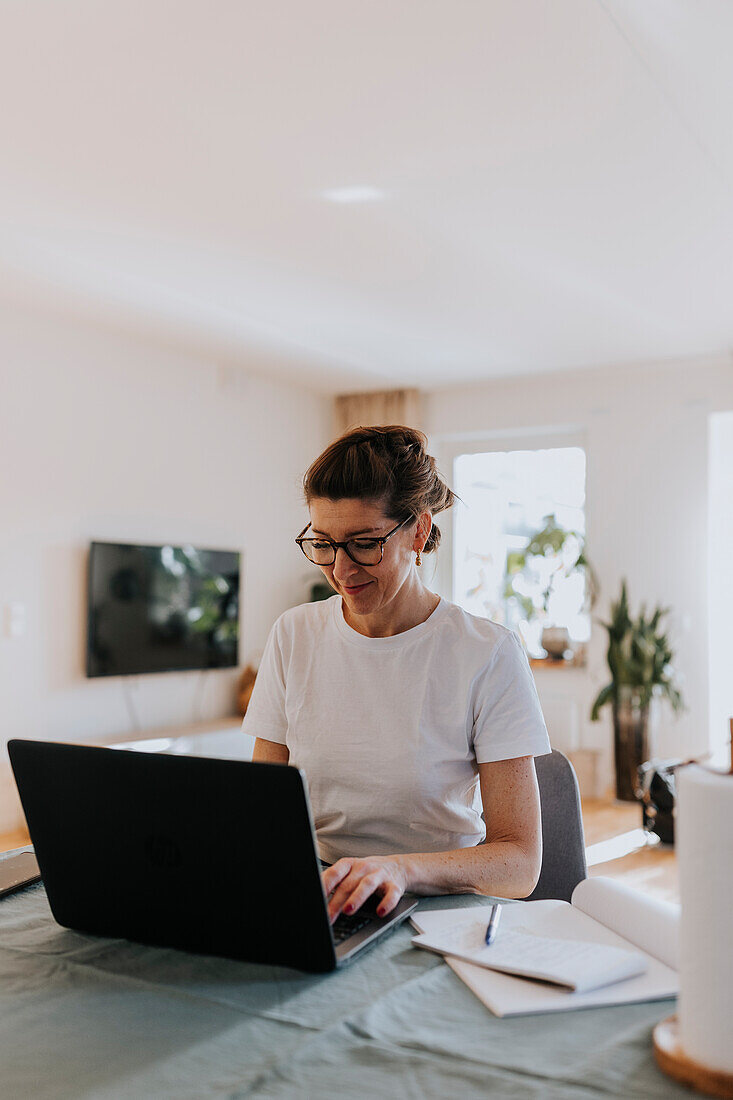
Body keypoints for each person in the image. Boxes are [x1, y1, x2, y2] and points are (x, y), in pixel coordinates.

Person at [242, 425, 551, 925]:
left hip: (442, 908)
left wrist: (400, 871)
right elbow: (260, 816)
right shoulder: (293, 634)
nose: (341, 570)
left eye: (365, 544)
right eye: (323, 543)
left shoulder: (487, 653)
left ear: (419, 531)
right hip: (319, 898)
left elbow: (519, 863)